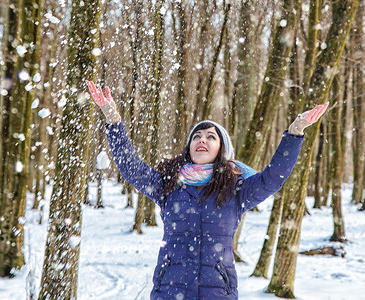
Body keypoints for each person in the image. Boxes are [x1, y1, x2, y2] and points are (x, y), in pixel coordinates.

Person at [86, 80, 328, 300]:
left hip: (218, 293)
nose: (202, 140)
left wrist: (296, 130)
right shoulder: (168, 185)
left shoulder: (236, 190)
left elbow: (273, 177)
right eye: (197, 136)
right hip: (170, 290)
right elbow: (131, 168)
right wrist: (113, 118)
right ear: (189, 147)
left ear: (221, 149)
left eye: (211, 137)